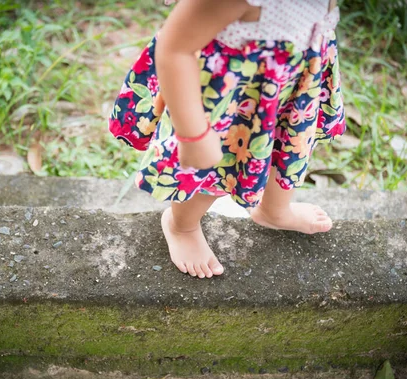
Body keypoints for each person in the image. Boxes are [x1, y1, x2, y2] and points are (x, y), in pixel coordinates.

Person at [109, 0, 346, 279]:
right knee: (215, 167)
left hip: (295, 77)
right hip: (233, 96)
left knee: (285, 147)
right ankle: (181, 226)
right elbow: (174, 49)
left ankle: (274, 210)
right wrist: (193, 134)